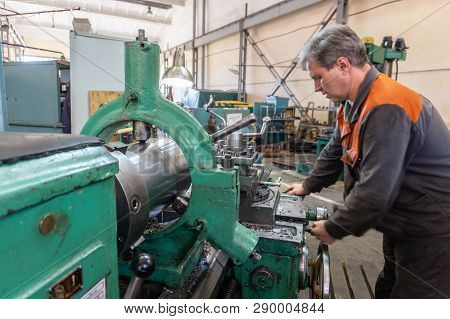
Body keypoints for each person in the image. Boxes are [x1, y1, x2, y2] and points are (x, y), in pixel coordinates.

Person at [285, 24, 450, 298]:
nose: (316, 88)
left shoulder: (387, 106)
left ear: (342, 65)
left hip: (432, 228)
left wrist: (334, 228)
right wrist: (307, 185)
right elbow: (335, 151)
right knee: (387, 287)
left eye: (318, 77)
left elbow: (376, 190)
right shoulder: (351, 105)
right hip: (403, 220)